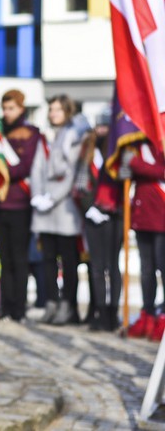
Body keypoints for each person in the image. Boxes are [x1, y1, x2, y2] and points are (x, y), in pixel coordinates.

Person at [30, 94, 83, 325]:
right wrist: (37, 196)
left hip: (65, 208)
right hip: (45, 208)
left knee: (69, 261)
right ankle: (51, 301)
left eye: (57, 110)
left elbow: (70, 171)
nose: (53, 114)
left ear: (67, 111)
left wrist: (52, 197)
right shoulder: (46, 136)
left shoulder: (74, 135)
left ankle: (68, 305)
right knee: (48, 258)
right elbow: (37, 168)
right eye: (51, 109)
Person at [0, 89, 41, 322]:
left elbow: (24, 167)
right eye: (5, 108)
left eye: (12, 108)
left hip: (20, 203)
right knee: (4, 259)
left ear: (21, 108)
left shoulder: (31, 133)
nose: (7, 113)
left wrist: (1, 172)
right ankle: (5, 305)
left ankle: (19, 307)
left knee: (19, 259)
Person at [73, 107, 122, 331]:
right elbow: (81, 185)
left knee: (113, 266)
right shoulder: (89, 150)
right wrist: (90, 208)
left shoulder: (119, 151)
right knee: (97, 266)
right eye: (99, 126)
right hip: (94, 215)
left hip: (115, 214)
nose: (102, 130)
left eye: (106, 126)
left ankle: (113, 312)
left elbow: (124, 182)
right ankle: (100, 311)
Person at [127, 139, 165, 340]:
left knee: (163, 267)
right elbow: (126, 173)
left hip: (162, 214)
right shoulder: (136, 146)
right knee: (147, 270)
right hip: (143, 214)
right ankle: (147, 312)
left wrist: (135, 164)